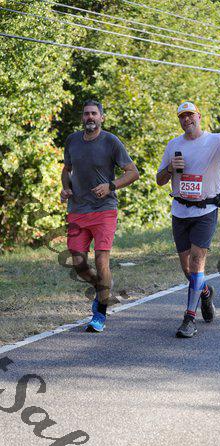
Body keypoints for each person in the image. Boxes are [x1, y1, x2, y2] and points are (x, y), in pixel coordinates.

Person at [157, 101, 220, 338]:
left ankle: (189, 318)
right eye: (182, 116)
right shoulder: (173, 145)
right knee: (187, 270)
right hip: (180, 211)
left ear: (199, 117)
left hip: (205, 210)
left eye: (190, 115)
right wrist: (169, 169)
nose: (187, 119)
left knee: (197, 262)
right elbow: (159, 180)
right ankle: (206, 293)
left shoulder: (216, 141)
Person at [60, 100, 139, 332]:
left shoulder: (111, 141)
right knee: (78, 263)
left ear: (101, 118)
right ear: (82, 118)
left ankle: (100, 314)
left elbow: (133, 172)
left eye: (94, 113)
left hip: (104, 209)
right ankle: (102, 287)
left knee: (101, 259)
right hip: (77, 210)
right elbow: (67, 169)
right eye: (86, 114)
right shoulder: (72, 140)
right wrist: (66, 188)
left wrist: (110, 186)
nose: (90, 117)